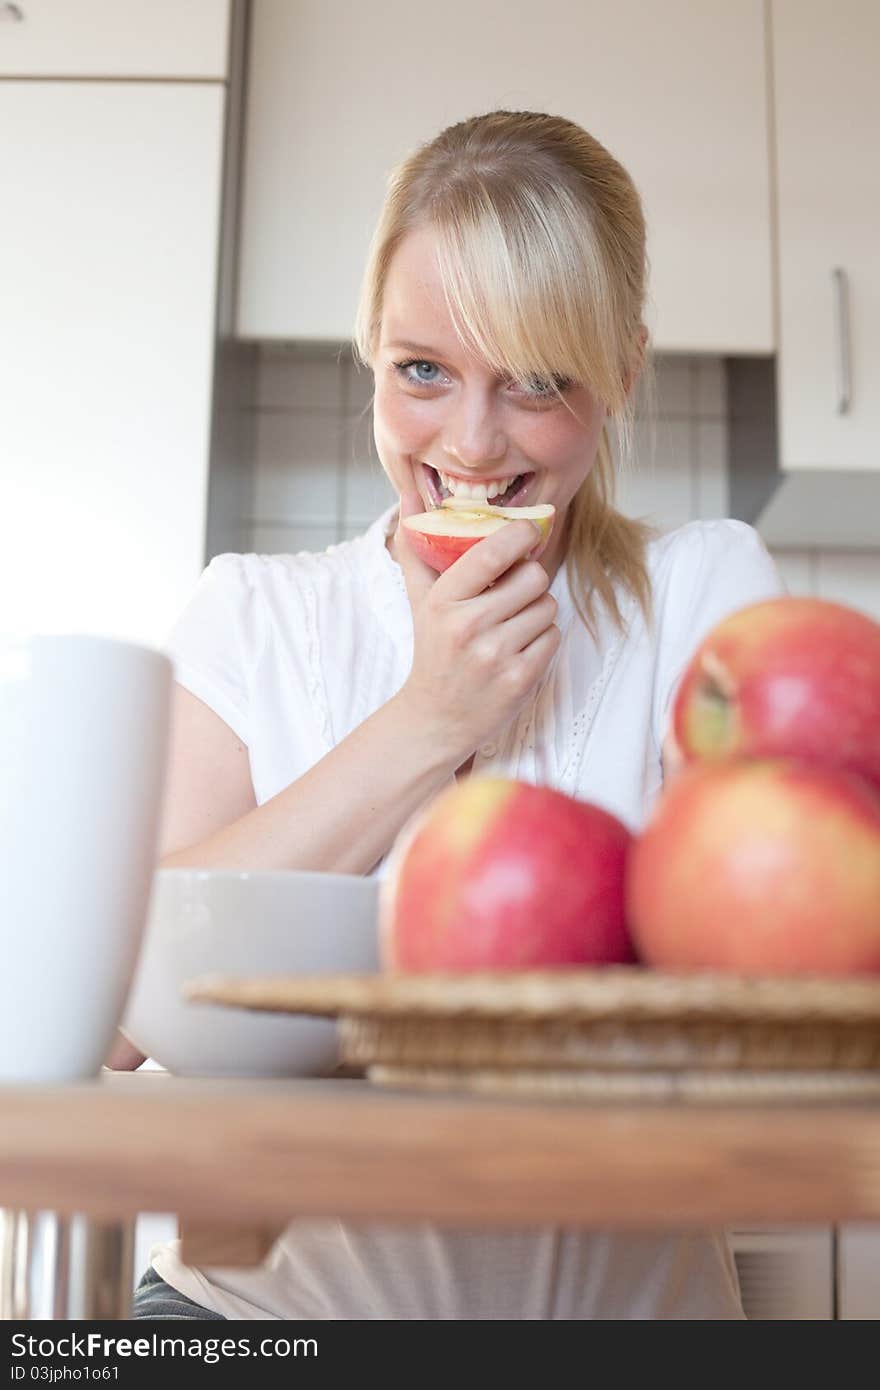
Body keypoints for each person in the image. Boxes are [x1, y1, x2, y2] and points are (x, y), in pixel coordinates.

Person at [121, 109, 786, 1319]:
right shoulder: (253, 612)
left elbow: (749, 984)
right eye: (422, 369)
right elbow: (126, 1012)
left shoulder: (704, 587)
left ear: (622, 373)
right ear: (371, 347)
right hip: (249, 1321)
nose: (471, 444)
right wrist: (428, 721)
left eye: (536, 382)